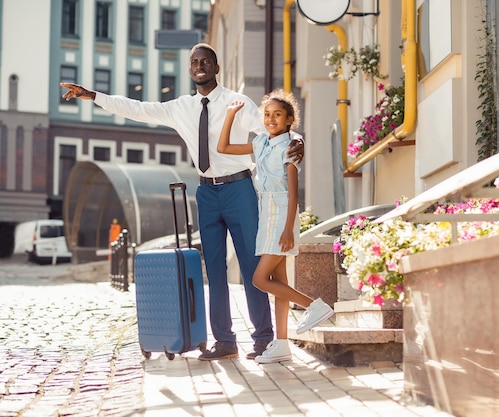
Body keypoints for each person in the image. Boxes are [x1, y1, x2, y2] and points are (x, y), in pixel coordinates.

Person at [60, 43, 304, 361]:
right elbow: (138, 108)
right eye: (194, 62)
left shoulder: (237, 102)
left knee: (251, 266)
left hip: (240, 189)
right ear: (190, 70)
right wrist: (93, 95)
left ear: (216, 68)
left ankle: (262, 340)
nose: (199, 65)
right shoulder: (181, 107)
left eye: (205, 61)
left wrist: (296, 139)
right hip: (205, 193)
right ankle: (226, 341)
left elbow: (271, 130)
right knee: (214, 270)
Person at [217, 89, 334, 364]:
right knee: (279, 282)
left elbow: (293, 194)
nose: (270, 119)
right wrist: (230, 116)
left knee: (259, 279)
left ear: (289, 119)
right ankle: (281, 344)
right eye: (267, 114)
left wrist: (288, 229)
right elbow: (223, 148)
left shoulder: (291, 147)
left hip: (282, 213)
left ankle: (314, 306)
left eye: (277, 115)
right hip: (265, 211)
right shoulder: (260, 143)